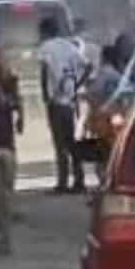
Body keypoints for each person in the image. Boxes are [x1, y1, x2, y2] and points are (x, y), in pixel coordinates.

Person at [39, 15, 87, 195]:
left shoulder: (45, 47)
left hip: (55, 102)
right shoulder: (69, 46)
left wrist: (46, 95)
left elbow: (44, 72)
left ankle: (63, 182)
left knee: (60, 145)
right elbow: (87, 66)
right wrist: (76, 85)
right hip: (70, 101)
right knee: (72, 142)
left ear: (45, 32)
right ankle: (79, 180)